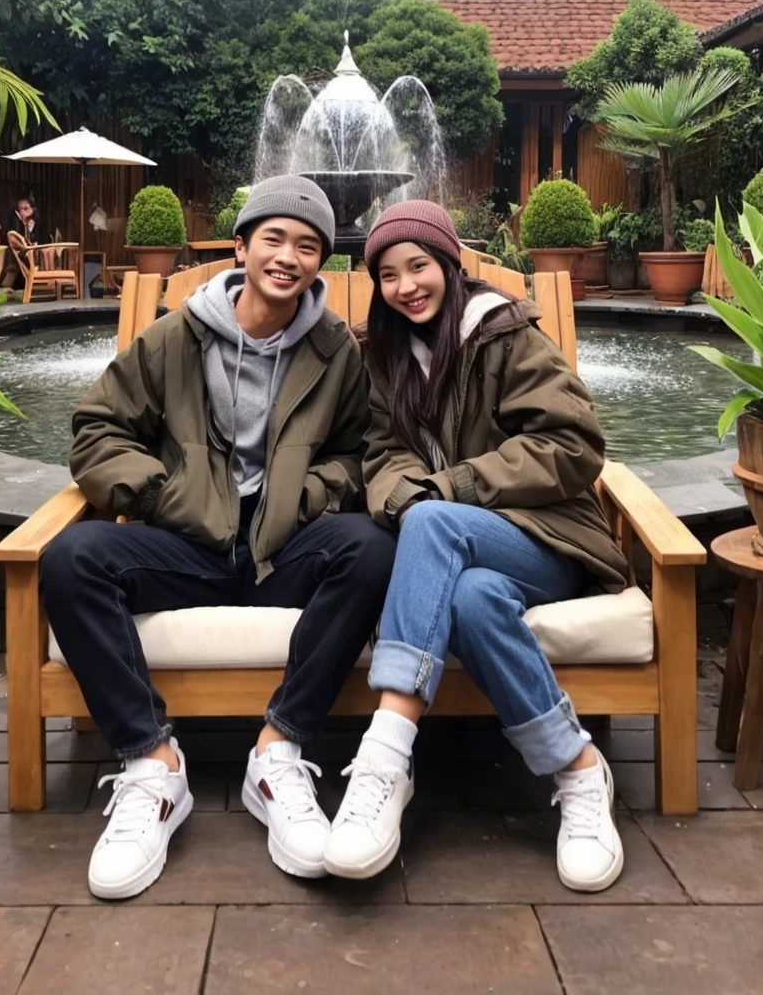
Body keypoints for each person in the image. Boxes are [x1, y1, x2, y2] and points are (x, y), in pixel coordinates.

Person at [40, 176, 396, 900]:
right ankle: (152, 764)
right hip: (189, 544)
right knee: (71, 558)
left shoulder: (335, 352)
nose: (289, 257)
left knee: (370, 549)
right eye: (274, 238)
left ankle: (280, 751)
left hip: (284, 547)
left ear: (321, 264)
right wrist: (163, 494)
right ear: (242, 247)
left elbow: (367, 450)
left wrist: (315, 493)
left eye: (308, 246)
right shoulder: (175, 337)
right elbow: (96, 429)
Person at [321, 201, 630, 893]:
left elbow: (573, 447)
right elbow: (384, 454)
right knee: (468, 596)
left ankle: (385, 758)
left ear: (450, 265)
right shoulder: (386, 354)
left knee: (432, 521)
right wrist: (405, 493)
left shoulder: (506, 335)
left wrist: (451, 487)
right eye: (390, 274)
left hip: (549, 541)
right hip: (466, 562)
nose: (407, 286)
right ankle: (578, 771)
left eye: (420, 266)